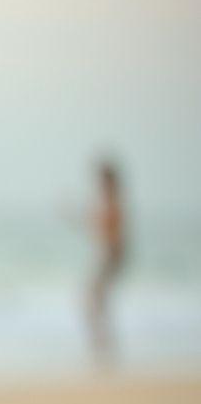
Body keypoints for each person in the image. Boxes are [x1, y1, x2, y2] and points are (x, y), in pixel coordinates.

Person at [85, 157, 126, 369]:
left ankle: (104, 348)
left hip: (110, 257)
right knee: (96, 302)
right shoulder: (112, 201)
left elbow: (112, 234)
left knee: (93, 302)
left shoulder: (113, 202)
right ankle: (104, 346)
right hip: (109, 256)